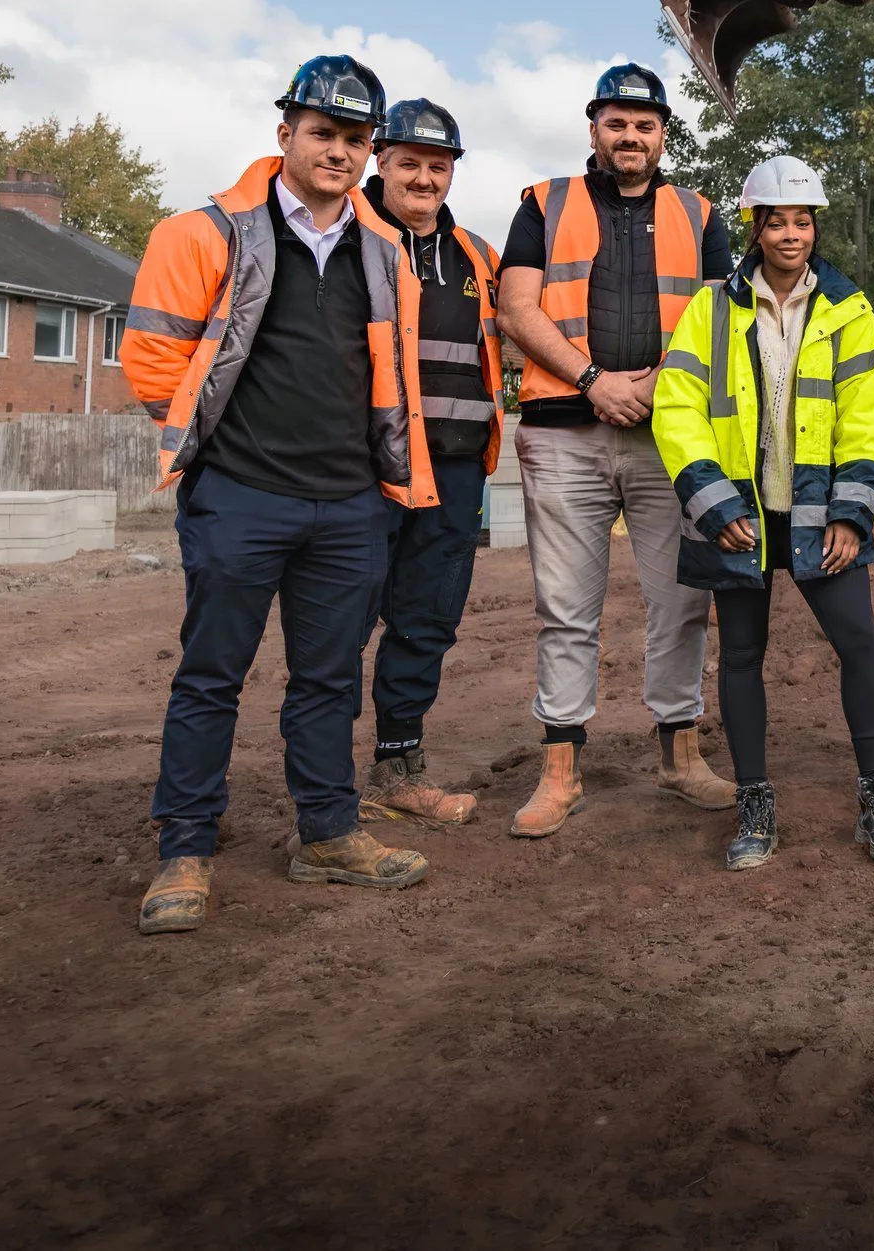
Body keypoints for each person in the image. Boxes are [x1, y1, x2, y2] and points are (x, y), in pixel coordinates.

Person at [123, 55, 438, 937]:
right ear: (285, 134)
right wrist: (217, 458)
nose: (337, 151)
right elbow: (152, 361)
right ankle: (185, 846)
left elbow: (390, 374)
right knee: (211, 675)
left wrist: (380, 483)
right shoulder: (204, 233)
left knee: (331, 679)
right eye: (322, 133)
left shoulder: (384, 251)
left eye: (353, 138)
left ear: (369, 150)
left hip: (347, 505)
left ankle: (329, 832)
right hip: (242, 496)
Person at [652, 155, 874, 870]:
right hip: (739, 517)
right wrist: (713, 505)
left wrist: (851, 512)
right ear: (756, 227)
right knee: (740, 657)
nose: (791, 233)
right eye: (777, 220)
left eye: (802, 220)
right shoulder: (709, 310)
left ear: (814, 226)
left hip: (818, 514)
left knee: (859, 643)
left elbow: (870, 420)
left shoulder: (851, 310)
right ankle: (756, 810)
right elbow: (676, 409)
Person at [495, 63, 734, 838]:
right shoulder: (543, 203)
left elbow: (716, 324)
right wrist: (595, 380)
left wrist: (656, 387)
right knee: (566, 608)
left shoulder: (700, 212)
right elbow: (515, 308)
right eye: (616, 121)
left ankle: (681, 754)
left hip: (669, 436)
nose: (630, 135)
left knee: (682, 602)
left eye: (645, 123)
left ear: (664, 133)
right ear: (593, 126)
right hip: (566, 429)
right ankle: (561, 766)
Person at [354, 99, 500, 827]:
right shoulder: (345, 236)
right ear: (380, 161)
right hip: (362, 470)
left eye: (436, 166)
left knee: (425, 620)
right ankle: (316, 786)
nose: (422, 177)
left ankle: (398, 768)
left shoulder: (475, 254)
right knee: (340, 622)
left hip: (455, 469)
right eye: (408, 161)